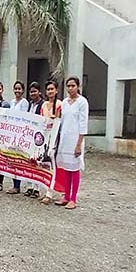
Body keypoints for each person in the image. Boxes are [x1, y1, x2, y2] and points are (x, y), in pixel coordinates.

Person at [54, 76, 88, 210]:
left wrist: (79, 144)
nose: (70, 88)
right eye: (68, 86)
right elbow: (61, 121)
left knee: (74, 169)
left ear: (78, 86)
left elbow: (83, 123)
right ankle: (66, 196)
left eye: (73, 86)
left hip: (75, 139)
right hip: (65, 139)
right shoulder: (64, 102)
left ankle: (73, 198)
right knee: (66, 169)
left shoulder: (82, 102)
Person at [39, 80, 63, 204]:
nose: (50, 91)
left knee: (52, 164)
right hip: (45, 137)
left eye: (52, 89)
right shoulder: (44, 105)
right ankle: (44, 190)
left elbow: (60, 121)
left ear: (56, 90)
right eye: (48, 89)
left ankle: (50, 192)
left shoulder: (59, 104)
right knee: (44, 164)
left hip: (54, 138)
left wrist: (55, 119)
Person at [7, 81, 31, 195]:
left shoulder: (24, 102)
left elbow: (23, 118)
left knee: (19, 161)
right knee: (12, 160)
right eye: (15, 88)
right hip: (12, 134)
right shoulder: (12, 102)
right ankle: (14, 185)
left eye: (19, 89)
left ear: (23, 90)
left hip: (20, 135)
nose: (17, 91)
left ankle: (18, 185)